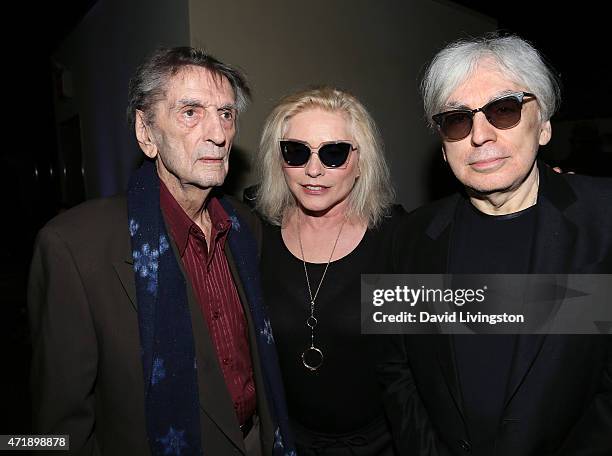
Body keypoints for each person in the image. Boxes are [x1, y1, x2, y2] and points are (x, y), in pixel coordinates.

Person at [28, 47, 295, 456]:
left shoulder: (246, 228)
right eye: (191, 112)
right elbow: (54, 430)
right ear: (146, 132)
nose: (219, 133)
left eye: (226, 114)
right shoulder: (74, 248)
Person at [379, 33, 612, 455]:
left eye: (503, 110)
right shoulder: (409, 237)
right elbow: (396, 370)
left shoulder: (604, 220)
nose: (480, 135)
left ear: (543, 125)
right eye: (456, 119)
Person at [255, 87, 402, 455]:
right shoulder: (254, 237)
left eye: (334, 153)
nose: (313, 170)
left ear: (360, 161)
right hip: (286, 441)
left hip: (382, 444)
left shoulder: (397, 242)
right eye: (296, 152)